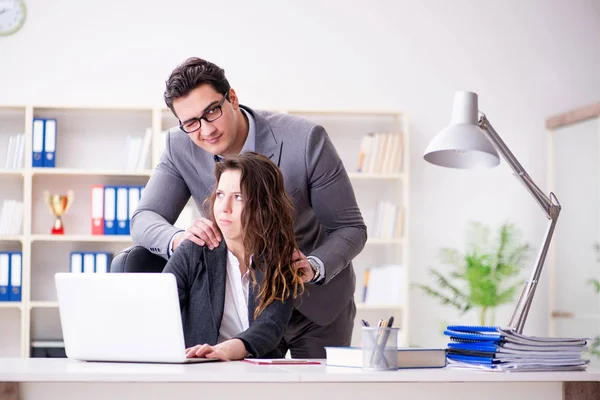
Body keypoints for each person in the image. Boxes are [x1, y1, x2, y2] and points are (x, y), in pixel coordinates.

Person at [132, 57, 367, 358]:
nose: (205, 130)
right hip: (246, 307)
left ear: (232, 97)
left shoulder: (305, 140)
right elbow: (143, 218)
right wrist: (178, 239)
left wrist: (314, 265)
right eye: (191, 122)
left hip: (316, 302)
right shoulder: (180, 147)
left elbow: (350, 228)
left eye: (212, 112)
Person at [164, 152, 304, 360]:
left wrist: (228, 349)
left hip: (256, 372)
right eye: (220, 195)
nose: (224, 208)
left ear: (264, 206)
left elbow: (271, 326)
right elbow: (160, 311)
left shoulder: (281, 257)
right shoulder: (193, 250)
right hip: (200, 369)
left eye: (238, 197)